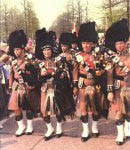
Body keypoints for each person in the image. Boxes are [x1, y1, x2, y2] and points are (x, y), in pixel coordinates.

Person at [75, 22, 106, 142]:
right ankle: (85, 130)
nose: (86, 45)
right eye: (83, 43)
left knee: (95, 108)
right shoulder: (78, 56)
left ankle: (94, 127)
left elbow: (103, 69)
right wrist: (75, 86)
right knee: (83, 109)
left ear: (92, 43)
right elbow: (75, 72)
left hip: (94, 85)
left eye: (88, 43)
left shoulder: (98, 55)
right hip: (83, 84)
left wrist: (100, 72)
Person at [8, 30, 40, 137]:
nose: (16, 52)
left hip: (27, 85)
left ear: (22, 49)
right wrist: (9, 85)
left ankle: (30, 126)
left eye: (18, 49)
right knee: (15, 106)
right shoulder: (13, 60)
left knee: (29, 107)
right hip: (17, 86)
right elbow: (11, 74)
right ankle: (21, 126)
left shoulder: (29, 59)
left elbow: (34, 74)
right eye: (15, 50)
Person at [105, 18, 130, 145]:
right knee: (119, 111)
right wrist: (109, 91)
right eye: (117, 44)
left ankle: (127, 129)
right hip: (118, 87)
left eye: (121, 43)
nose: (119, 45)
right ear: (114, 45)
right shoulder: (112, 59)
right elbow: (109, 76)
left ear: (126, 43)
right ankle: (120, 135)